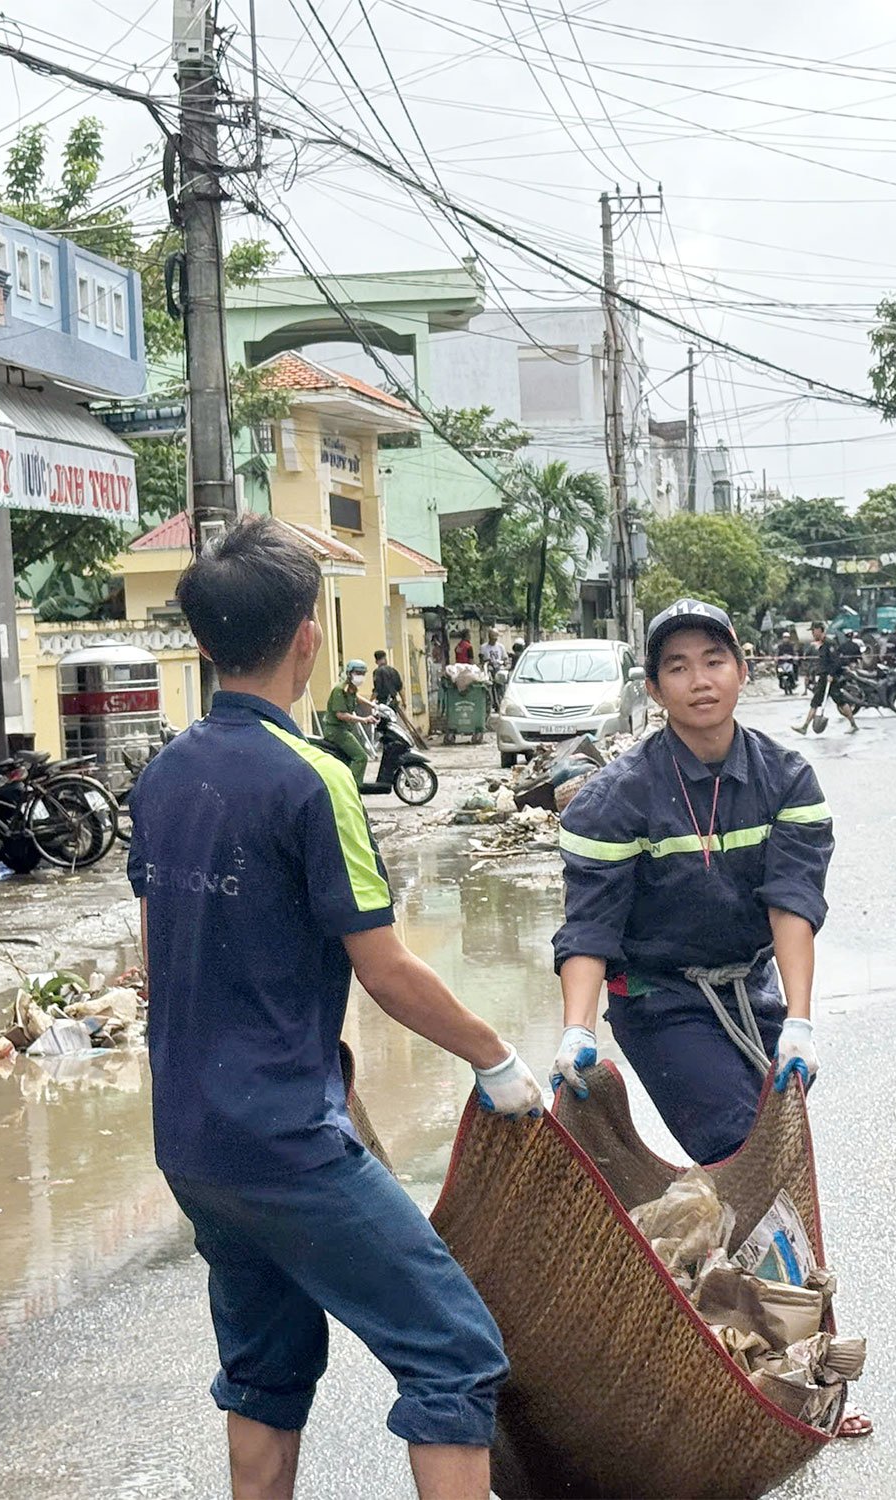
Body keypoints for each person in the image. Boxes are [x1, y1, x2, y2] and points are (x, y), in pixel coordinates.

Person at [132, 516, 543, 1500]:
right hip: (287, 1144)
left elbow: (155, 959)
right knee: (453, 1355)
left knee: (265, 1374)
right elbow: (384, 968)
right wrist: (493, 1056)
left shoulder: (162, 775)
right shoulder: (314, 779)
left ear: (205, 643)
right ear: (308, 637)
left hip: (191, 1143)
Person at [551, 597, 831, 1168]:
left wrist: (799, 1021)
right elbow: (590, 926)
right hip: (658, 997)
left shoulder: (787, 780)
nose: (700, 681)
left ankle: (743, 1231)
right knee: (739, 1148)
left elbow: (792, 903)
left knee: (782, 1149)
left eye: (714, 661)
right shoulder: (614, 799)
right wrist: (577, 1030)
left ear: (742, 671)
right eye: (677, 667)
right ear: (654, 690)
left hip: (751, 990)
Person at [793, 621, 857, 736]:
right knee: (815, 702)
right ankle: (805, 727)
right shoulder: (822, 645)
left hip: (830, 679)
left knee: (840, 702)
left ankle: (853, 725)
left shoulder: (829, 643)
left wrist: (831, 675)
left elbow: (836, 661)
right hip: (824, 678)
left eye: (813, 631)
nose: (812, 633)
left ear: (819, 630)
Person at [323, 660, 378, 788]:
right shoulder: (340, 690)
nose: (360, 676)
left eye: (362, 673)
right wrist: (363, 719)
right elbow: (341, 715)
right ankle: (352, 788)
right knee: (361, 757)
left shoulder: (350, 689)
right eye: (357, 673)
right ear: (349, 673)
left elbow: (356, 697)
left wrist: (372, 705)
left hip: (344, 730)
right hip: (336, 731)